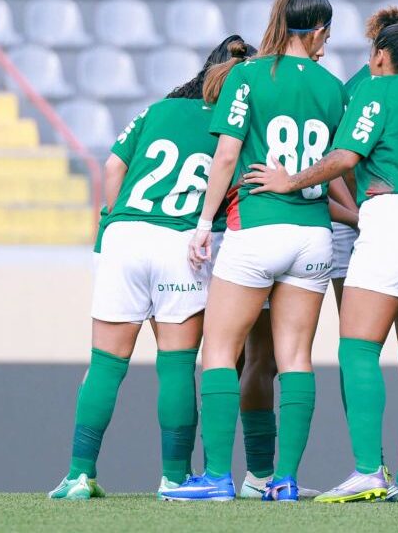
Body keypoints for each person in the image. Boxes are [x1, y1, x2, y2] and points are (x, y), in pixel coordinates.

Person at [243, 15, 398, 504]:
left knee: (357, 349)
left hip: (393, 219)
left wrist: (291, 181)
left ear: (379, 55)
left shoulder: (377, 91)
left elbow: (345, 157)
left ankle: (366, 471)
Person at [161, 0, 347, 503]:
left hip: (256, 228)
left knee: (219, 350)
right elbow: (336, 166)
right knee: (296, 358)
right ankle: (282, 479)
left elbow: (225, 157)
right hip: (313, 235)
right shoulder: (333, 88)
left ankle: (217, 476)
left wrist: (202, 223)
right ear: (318, 31)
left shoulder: (247, 77)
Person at [48, 35, 255, 501]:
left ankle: (79, 475)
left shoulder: (159, 110)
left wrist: (110, 220)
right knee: (178, 367)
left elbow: (112, 167)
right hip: (184, 243)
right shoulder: (241, 127)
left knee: (105, 364)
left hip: (125, 236)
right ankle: (175, 479)